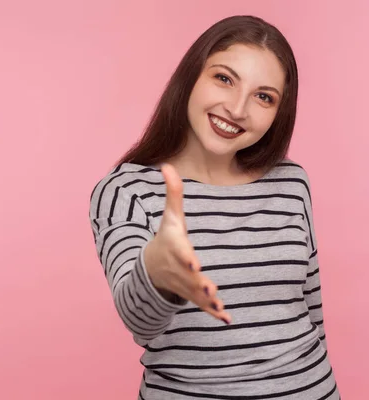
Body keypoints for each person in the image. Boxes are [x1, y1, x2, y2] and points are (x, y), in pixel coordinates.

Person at [89, 15, 341, 400]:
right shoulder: (127, 190)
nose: (238, 109)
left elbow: (311, 307)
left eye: (264, 96)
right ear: (192, 76)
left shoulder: (291, 181)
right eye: (224, 78)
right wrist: (156, 270)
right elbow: (140, 322)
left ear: (278, 113)